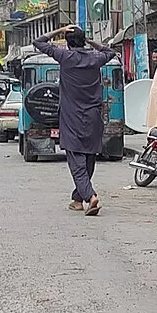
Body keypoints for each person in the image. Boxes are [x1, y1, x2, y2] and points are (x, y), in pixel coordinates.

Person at [33, 25, 117, 216]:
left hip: (72, 116)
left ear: (68, 43)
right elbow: (110, 51)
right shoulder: (96, 59)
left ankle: (91, 197)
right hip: (94, 115)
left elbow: (38, 42)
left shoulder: (65, 57)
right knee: (89, 157)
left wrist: (59, 30)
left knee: (76, 159)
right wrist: (88, 40)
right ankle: (78, 199)